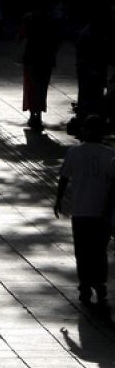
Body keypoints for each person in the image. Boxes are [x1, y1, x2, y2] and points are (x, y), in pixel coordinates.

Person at [54, 115, 115, 315]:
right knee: (99, 252)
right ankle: (100, 286)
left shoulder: (74, 153)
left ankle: (85, 286)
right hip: (101, 213)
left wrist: (59, 199)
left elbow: (63, 177)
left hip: (80, 212)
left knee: (82, 252)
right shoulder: (109, 154)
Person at [22, 0, 61, 132]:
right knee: (42, 87)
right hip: (46, 58)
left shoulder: (29, 18)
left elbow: (22, 35)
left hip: (31, 57)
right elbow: (57, 41)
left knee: (31, 87)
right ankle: (38, 114)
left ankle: (33, 113)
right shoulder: (53, 21)